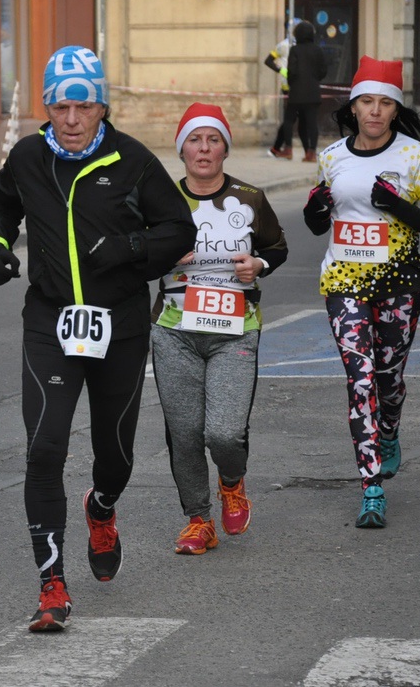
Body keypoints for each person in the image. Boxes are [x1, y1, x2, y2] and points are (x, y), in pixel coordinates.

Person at [0, 46, 197, 632]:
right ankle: (52, 585)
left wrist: (128, 249)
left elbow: (179, 228)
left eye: (83, 106)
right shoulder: (28, 157)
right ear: (46, 108)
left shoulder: (132, 160)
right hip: (50, 322)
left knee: (116, 455)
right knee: (44, 447)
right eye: (60, 107)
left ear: (102, 106)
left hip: (118, 325)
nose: (71, 119)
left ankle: (101, 507)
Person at [302, 56, 420, 528]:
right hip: (343, 283)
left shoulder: (414, 157)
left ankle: (389, 430)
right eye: (367, 102)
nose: (375, 111)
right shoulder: (332, 157)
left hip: (398, 285)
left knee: (388, 382)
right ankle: (371, 488)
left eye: (385, 103)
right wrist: (314, 209)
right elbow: (318, 225)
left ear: (396, 109)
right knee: (361, 381)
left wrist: (396, 205)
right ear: (353, 107)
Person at [150, 103, 288, 555]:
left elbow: (277, 246)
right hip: (174, 330)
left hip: (235, 329)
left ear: (225, 149)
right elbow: (134, 255)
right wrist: (163, 256)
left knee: (224, 433)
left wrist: (259, 264)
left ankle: (232, 480)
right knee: (184, 432)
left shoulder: (250, 198)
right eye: (194, 140)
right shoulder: (159, 200)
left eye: (213, 140)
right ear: (182, 150)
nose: (204, 148)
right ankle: (198, 521)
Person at [271, 21, 328, 163]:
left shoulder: (295, 50)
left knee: (289, 120)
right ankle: (311, 153)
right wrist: (314, 79)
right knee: (312, 123)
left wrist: (292, 83)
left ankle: (288, 149)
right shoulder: (318, 50)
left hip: (296, 92)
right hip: (313, 92)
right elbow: (323, 71)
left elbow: (292, 71)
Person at [266, 18, 299, 159]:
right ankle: (281, 148)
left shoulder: (294, 45)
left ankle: (277, 148)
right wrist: (281, 70)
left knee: (290, 119)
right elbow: (268, 60)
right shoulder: (284, 45)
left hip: (295, 85)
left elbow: (268, 61)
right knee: (290, 119)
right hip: (289, 86)